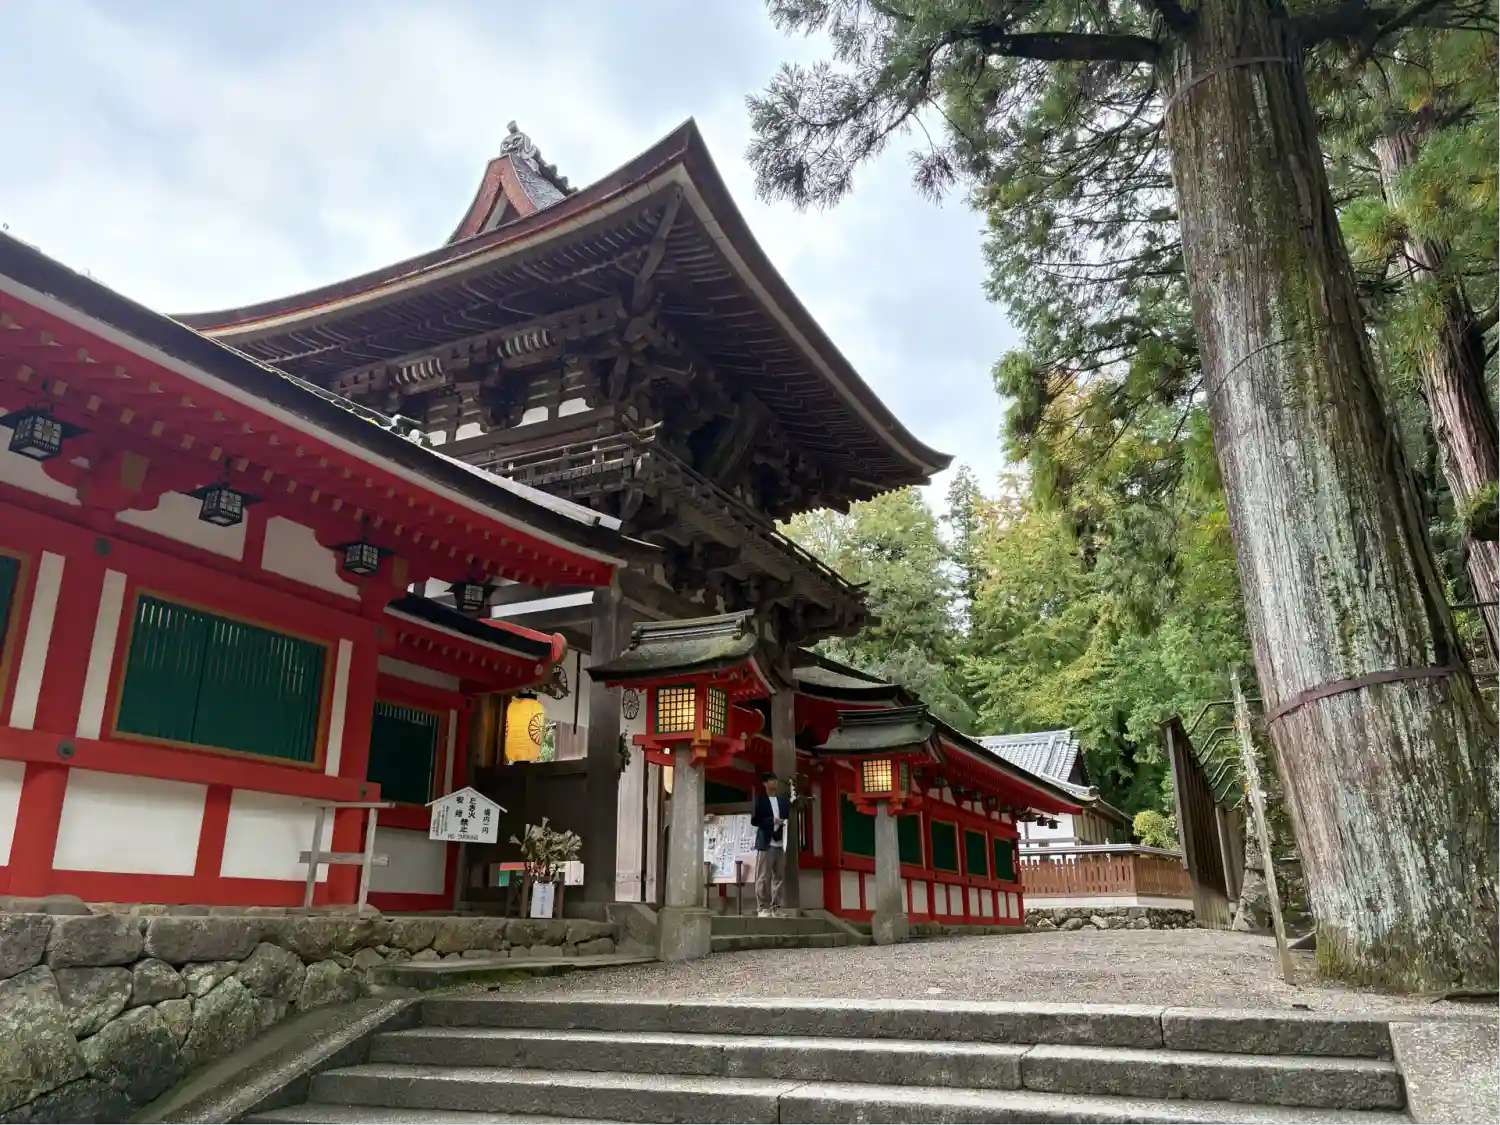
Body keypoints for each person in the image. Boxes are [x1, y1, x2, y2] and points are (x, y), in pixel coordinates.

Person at [750, 770, 790, 917]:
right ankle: (762, 907)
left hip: (779, 841)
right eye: (771, 780)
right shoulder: (760, 801)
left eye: (776, 780)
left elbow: (787, 819)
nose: (775, 783)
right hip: (766, 842)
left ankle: (776, 908)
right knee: (763, 876)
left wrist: (783, 823)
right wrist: (771, 820)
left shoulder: (783, 802)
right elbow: (755, 821)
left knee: (779, 877)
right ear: (765, 784)